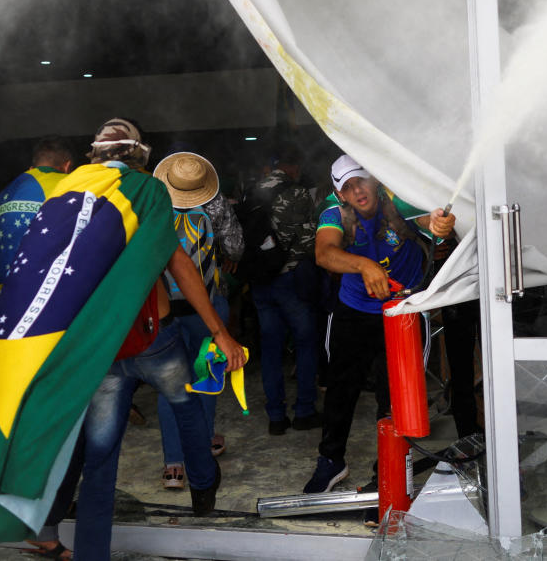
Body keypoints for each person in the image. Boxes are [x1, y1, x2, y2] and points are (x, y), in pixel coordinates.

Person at [36, 119, 245, 561]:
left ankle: (92, 554)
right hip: (154, 336)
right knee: (187, 406)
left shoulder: (66, 191)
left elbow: (46, 267)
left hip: (100, 343)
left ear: (93, 154)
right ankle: (204, 486)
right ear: (140, 156)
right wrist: (219, 331)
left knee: (100, 458)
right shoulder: (149, 192)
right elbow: (180, 266)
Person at [302, 155, 455, 494]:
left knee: (397, 396)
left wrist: (441, 225)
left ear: (374, 179)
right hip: (354, 309)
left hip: (403, 310)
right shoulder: (335, 213)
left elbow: (439, 223)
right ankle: (331, 461)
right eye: (348, 187)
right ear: (339, 194)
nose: (357, 191)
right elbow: (324, 253)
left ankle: (388, 471)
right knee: (341, 389)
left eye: (361, 181)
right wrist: (364, 265)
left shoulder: (400, 199)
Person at [151, 151, 232, 489]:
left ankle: (173, 466)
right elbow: (236, 246)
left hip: (164, 309)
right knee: (205, 379)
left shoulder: (150, 208)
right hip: (206, 308)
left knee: (168, 385)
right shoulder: (217, 207)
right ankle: (202, 453)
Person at [244, 142, 322, 435]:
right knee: (304, 343)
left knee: (271, 348)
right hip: (289, 279)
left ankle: (276, 417)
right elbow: (308, 242)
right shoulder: (298, 193)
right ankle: (304, 411)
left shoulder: (250, 191)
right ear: (295, 167)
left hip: (260, 281)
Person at [0, 135, 75, 287]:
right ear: (67, 166)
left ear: (32, 168)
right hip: (39, 286)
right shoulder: (67, 185)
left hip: (1, 285)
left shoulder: (5, 192)